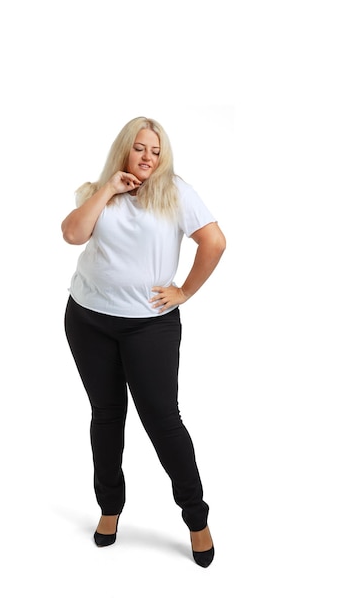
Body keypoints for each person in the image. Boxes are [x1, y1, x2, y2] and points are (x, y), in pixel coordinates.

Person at [62, 116, 226, 567]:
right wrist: (108, 189)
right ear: (125, 150)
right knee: (106, 416)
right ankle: (110, 509)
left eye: (155, 150)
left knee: (163, 422)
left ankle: (197, 518)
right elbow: (73, 234)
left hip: (148, 327)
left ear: (164, 155)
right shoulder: (101, 190)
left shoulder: (176, 192)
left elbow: (214, 242)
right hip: (88, 319)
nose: (148, 157)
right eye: (139, 148)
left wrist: (184, 291)